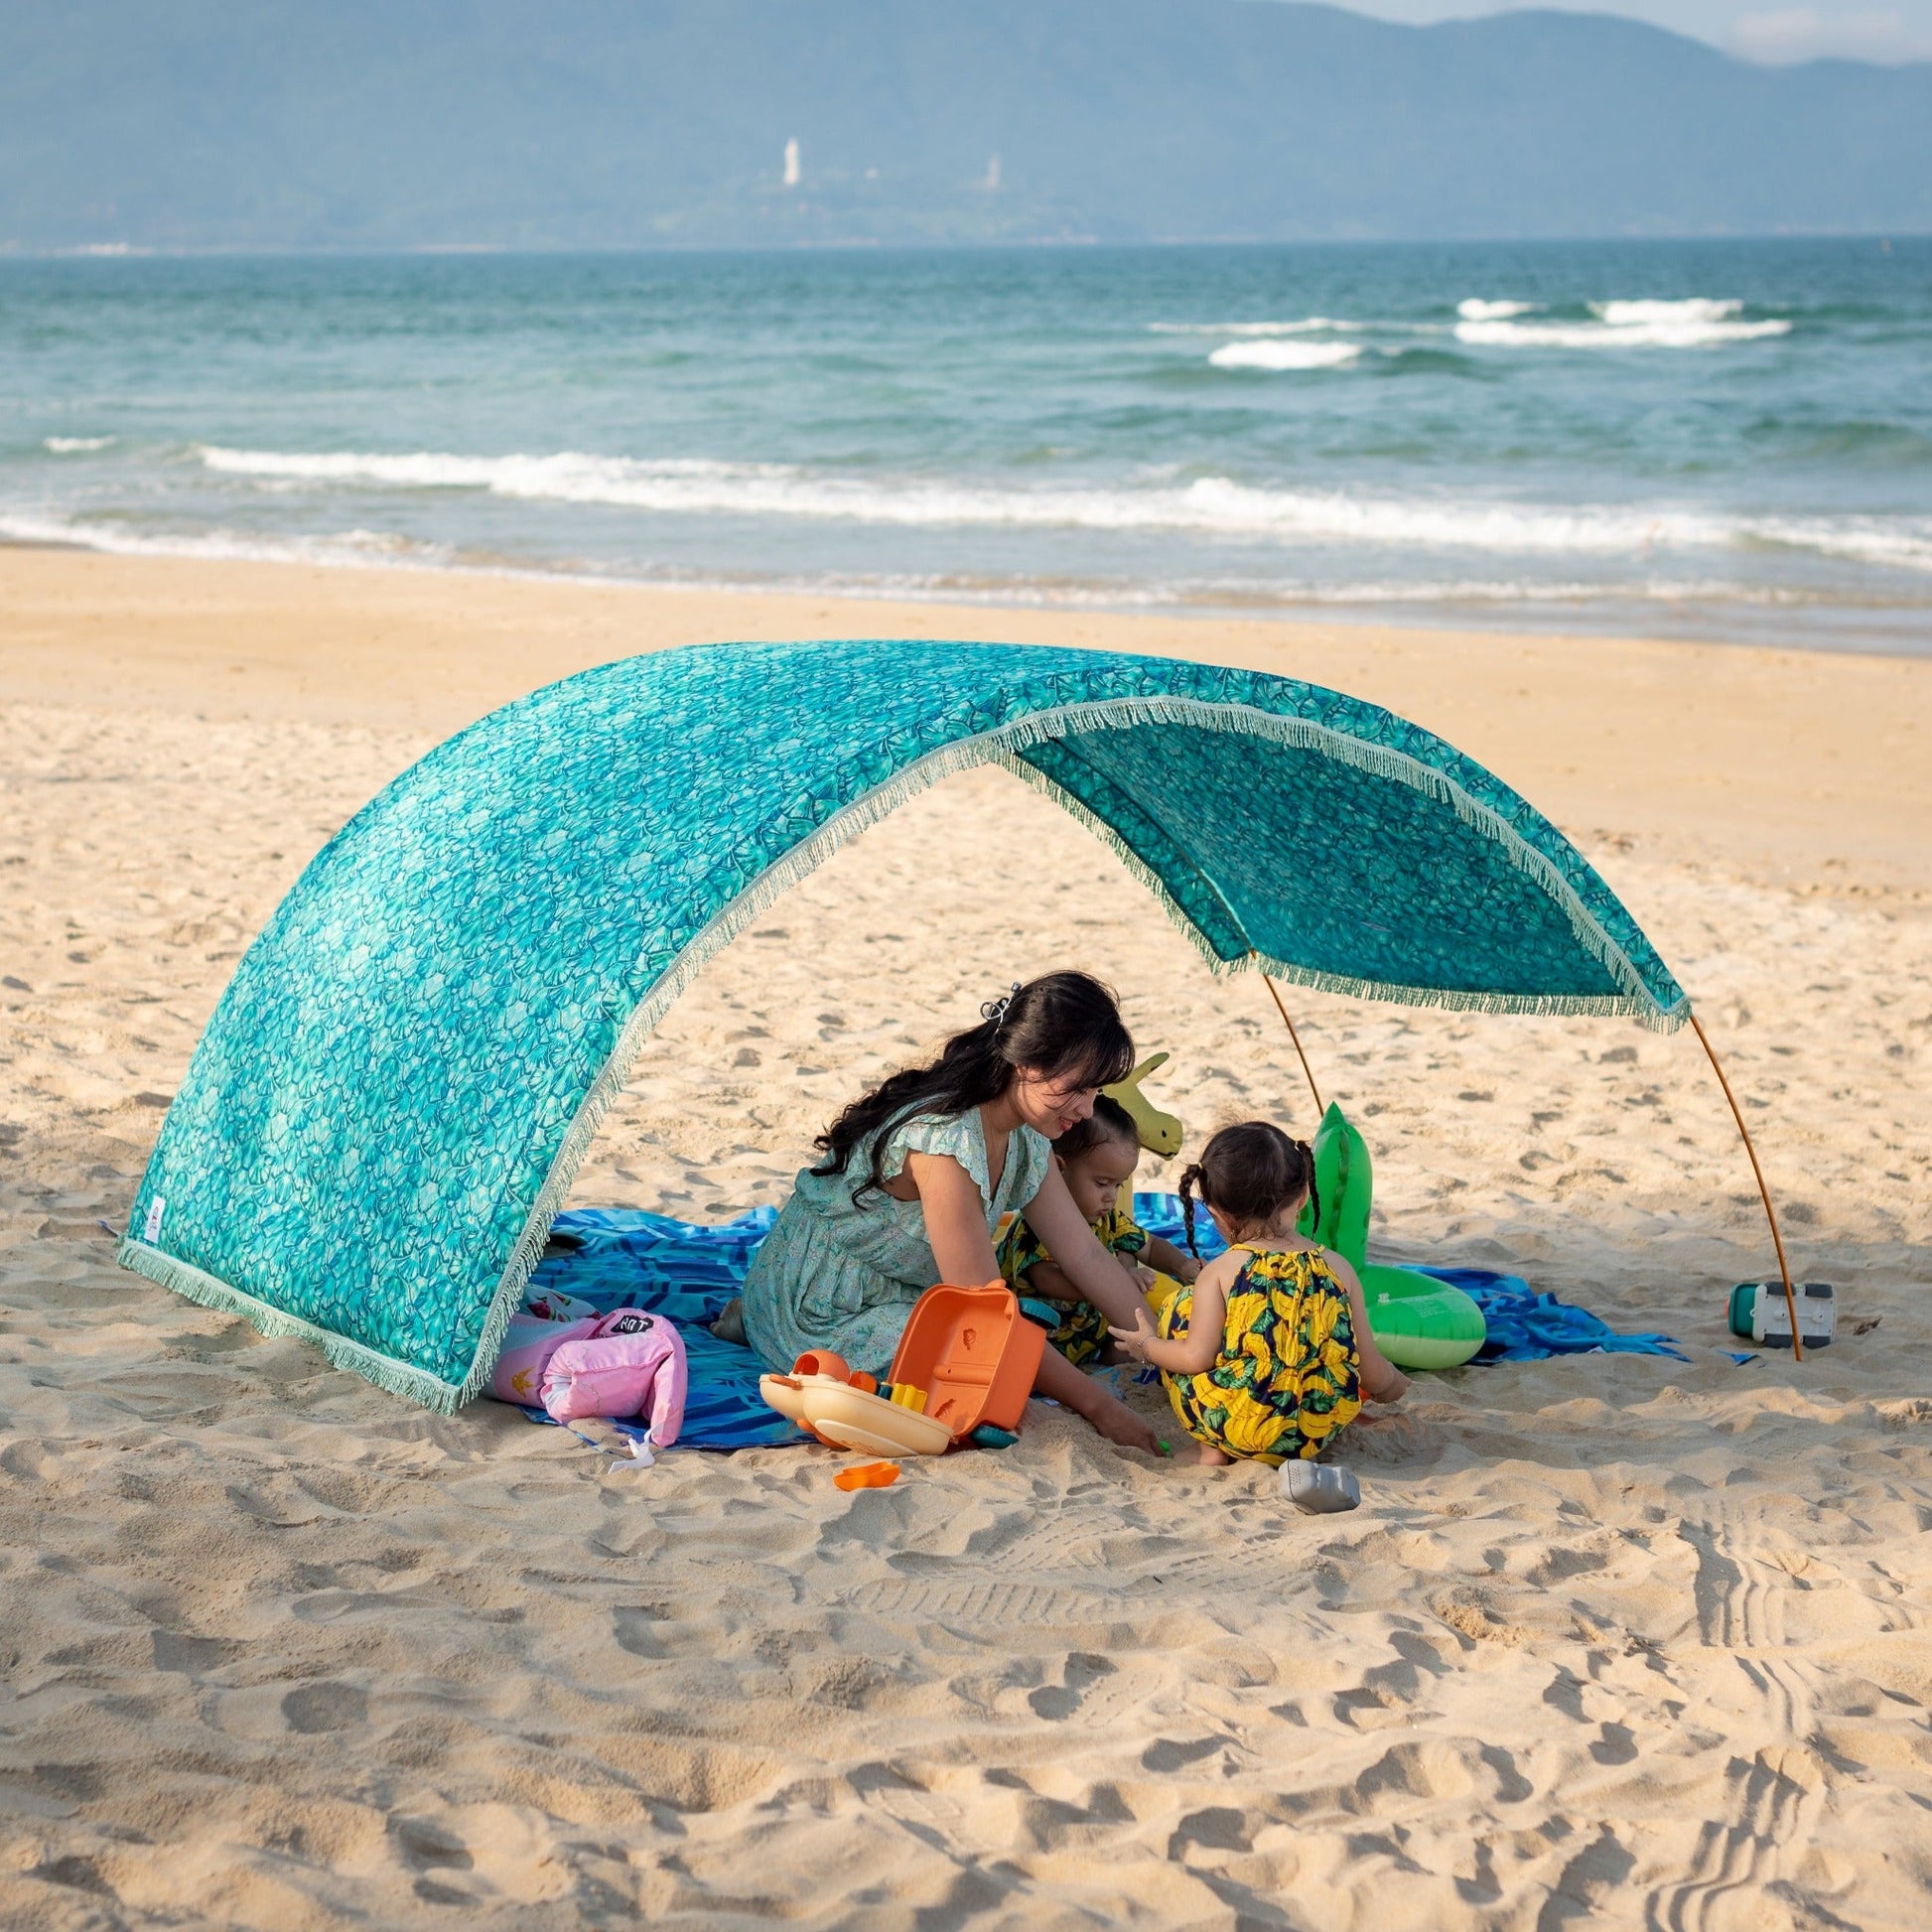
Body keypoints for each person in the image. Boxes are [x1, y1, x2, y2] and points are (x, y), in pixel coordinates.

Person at [737, 971, 1165, 1452]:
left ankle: (742, 1318)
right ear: (1025, 1063)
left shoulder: (1027, 1133)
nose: (1087, 1111)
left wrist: (1163, 1351)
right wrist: (1102, 1409)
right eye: (1076, 1089)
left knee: (994, 1358)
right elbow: (984, 1315)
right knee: (970, 1370)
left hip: (914, 1291)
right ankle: (755, 1317)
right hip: (825, 1308)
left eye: (1095, 1094)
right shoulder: (944, 1144)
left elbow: (1084, 1253)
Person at [1108, 1120, 1408, 1465]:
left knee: (1181, 1309)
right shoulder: (1338, 1268)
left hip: (1238, 1427)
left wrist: (1147, 1345)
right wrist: (1395, 1386)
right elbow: (1369, 1368)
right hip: (1315, 1430)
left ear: (1216, 1213)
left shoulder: (1220, 1273)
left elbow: (1194, 1358)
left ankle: (1211, 1450)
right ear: (1304, 1197)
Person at [997, 1093, 1200, 1366]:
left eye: (1118, 1185)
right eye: (1102, 1183)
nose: (1111, 1196)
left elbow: (1149, 1245)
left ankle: (1110, 1365)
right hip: (1044, 1341)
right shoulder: (1036, 1222)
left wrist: (1182, 1264)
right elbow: (1044, 1277)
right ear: (1059, 1169)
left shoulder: (1107, 1219)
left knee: (1131, 1338)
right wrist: (1117, 1280)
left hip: (1087, 1334)